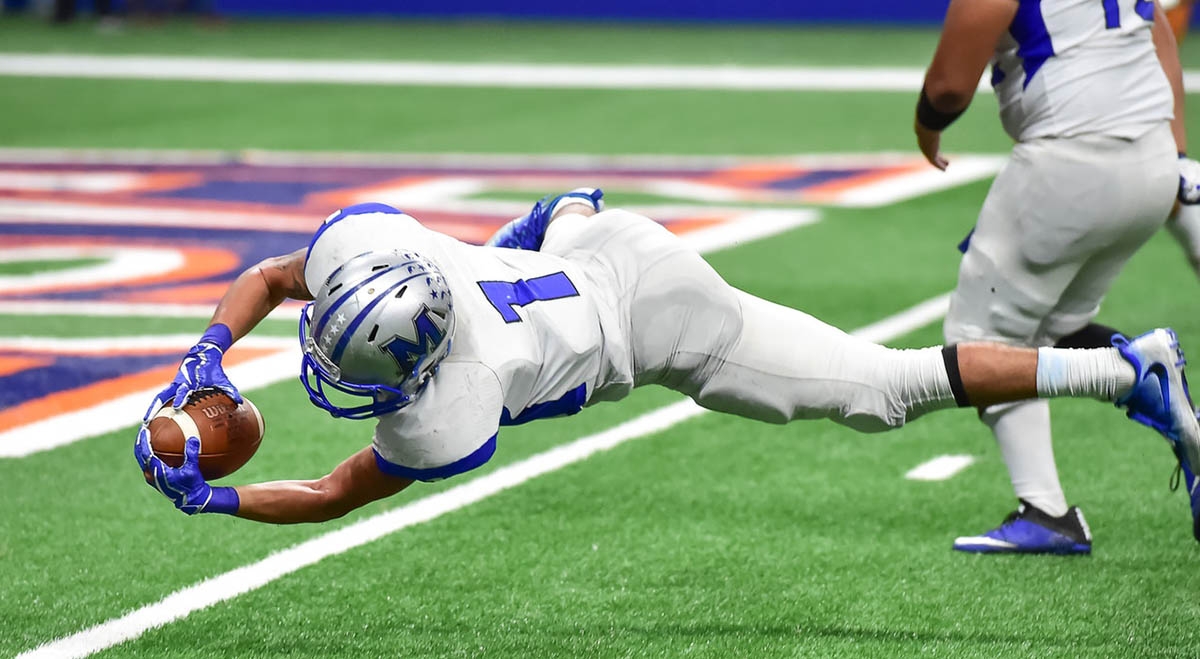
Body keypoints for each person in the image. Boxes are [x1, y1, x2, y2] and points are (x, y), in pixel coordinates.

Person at [133, 191, 1200, 532]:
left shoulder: (447, 407)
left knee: (885, 390)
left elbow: (332, 489)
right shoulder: (379, 252)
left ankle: (1126, 371)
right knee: (543, 233)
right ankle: (558, 209)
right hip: (596, 244)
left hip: (658, 323)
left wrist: (214, 500)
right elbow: (270, 278)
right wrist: (204, 355)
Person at [913, 0, 1200, 554]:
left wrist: (926, 127)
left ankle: (1048, 508)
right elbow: (1159, 28)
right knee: (1051, 329)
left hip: (1073, 161)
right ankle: (1152, 387)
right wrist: (1179, 152)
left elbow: (948, 87)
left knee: (980, 341)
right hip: (1152, 157)